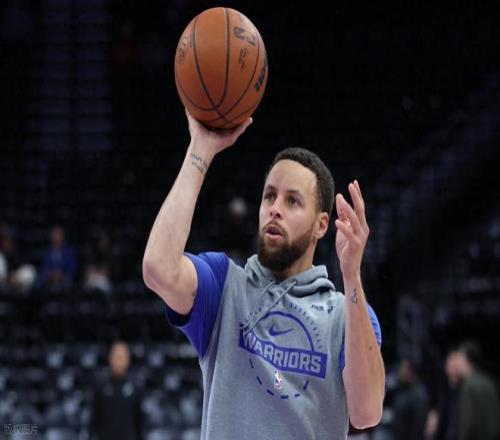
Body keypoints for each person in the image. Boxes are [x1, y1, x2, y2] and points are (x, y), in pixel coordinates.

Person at [143, 111, 385, 439]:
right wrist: (199, 151)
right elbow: (158, 269)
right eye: (269, 196)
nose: (275, 208)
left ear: (321, 225)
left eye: (292, 201)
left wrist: (352, 274)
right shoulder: (224, 287)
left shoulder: (347, 315)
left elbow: (367, 411)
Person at [90, 341, 143, 440]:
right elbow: (94, 419)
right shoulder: (100, 386)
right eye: (116, 356)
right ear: (110, 358)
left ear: (128, 360)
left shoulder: (136, 387)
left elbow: (139, 421)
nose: (119, 360)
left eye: (122, 357)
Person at [455, 341, 500, 440]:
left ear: (465, 359)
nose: (456, 363)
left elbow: (466, 422)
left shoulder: (469, 385)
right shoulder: (488, 381)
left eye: (458, 359)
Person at [391, 358, 429, 440]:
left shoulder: (418, 395)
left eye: (404, 367)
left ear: (411, 372)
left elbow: (418, 428)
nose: (400, 370)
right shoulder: (401, 388)